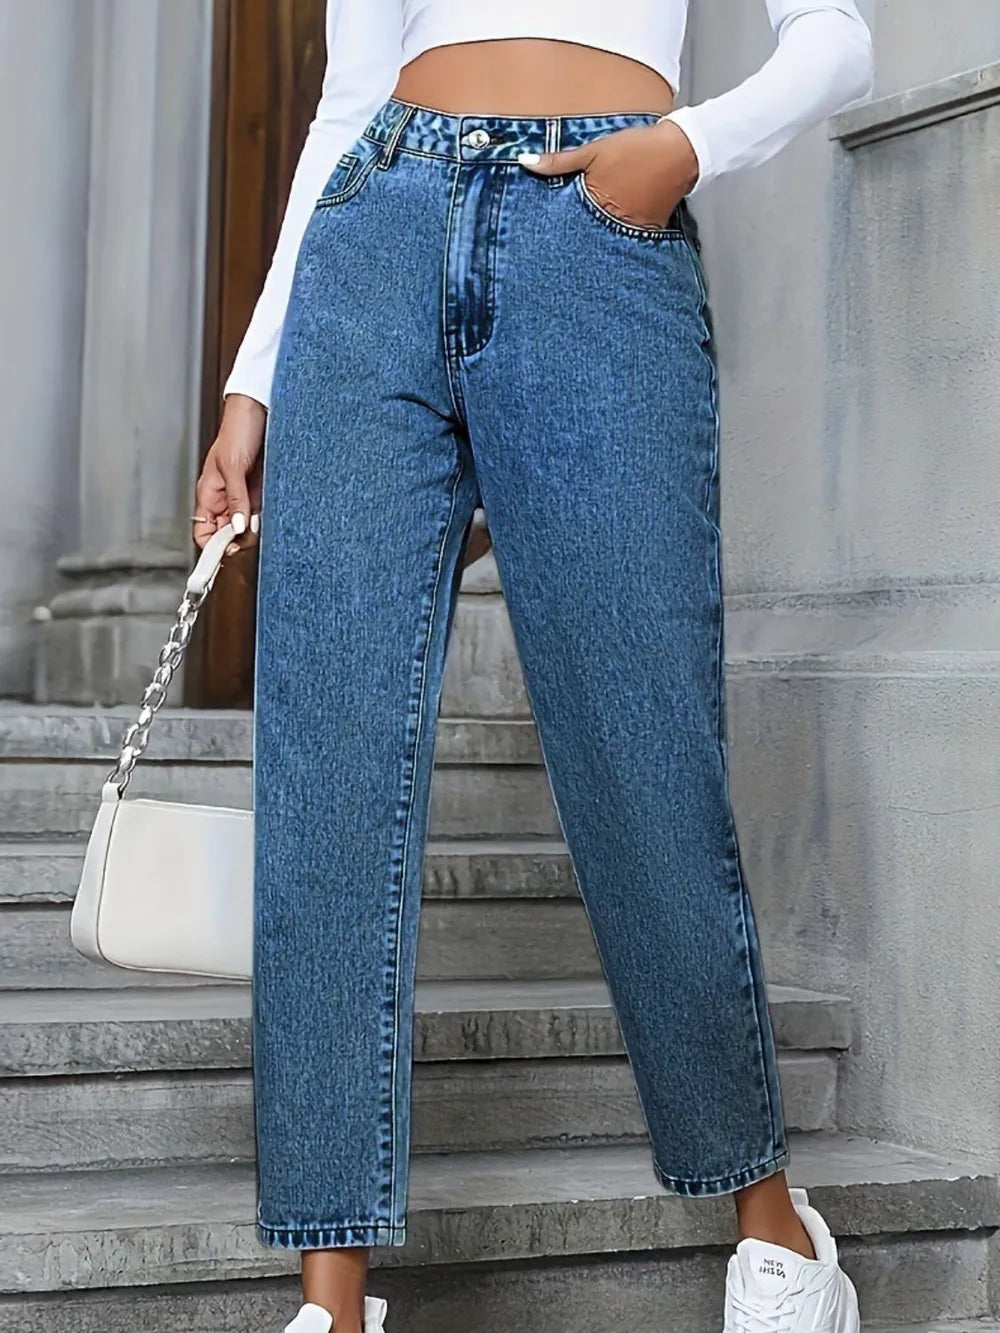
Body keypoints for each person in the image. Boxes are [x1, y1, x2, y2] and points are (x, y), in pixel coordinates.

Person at [193, 3, 874, 1329]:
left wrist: (684, 144)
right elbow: (347, 95)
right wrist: (254, 380)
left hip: (598, 232)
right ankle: (330, 1303)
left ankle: (776, 1230)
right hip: (376, 233)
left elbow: (836, 37)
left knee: (644, 751)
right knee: (326, 766)